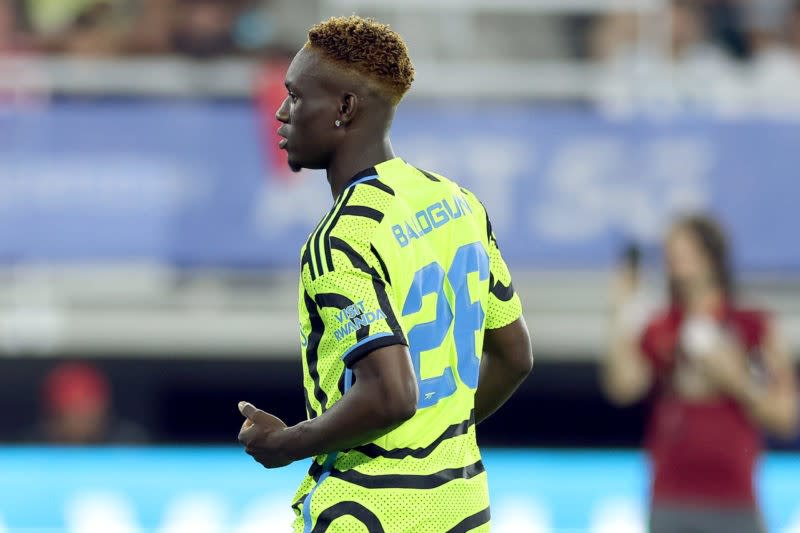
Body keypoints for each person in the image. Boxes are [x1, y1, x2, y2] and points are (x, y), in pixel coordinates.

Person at [236, 15, 533, 532]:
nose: (281, 113)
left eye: (296, 97)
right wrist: (440, 434)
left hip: (366, 509)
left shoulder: (342, 237)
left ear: (344, 109)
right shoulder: (459, 203)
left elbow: (389, 395)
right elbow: (514, 357)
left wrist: (288, 444)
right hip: (463, 505)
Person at [603, 215, 798, 533]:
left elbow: (786, 415)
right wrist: (619, 312)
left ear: (711, 256)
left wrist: (735, 379)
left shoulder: (753, 327)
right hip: (671, 498)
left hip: (734, 498)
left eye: (684, 252)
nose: (674, 262)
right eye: (670, 253)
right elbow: (622, 386)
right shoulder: (660, 327)